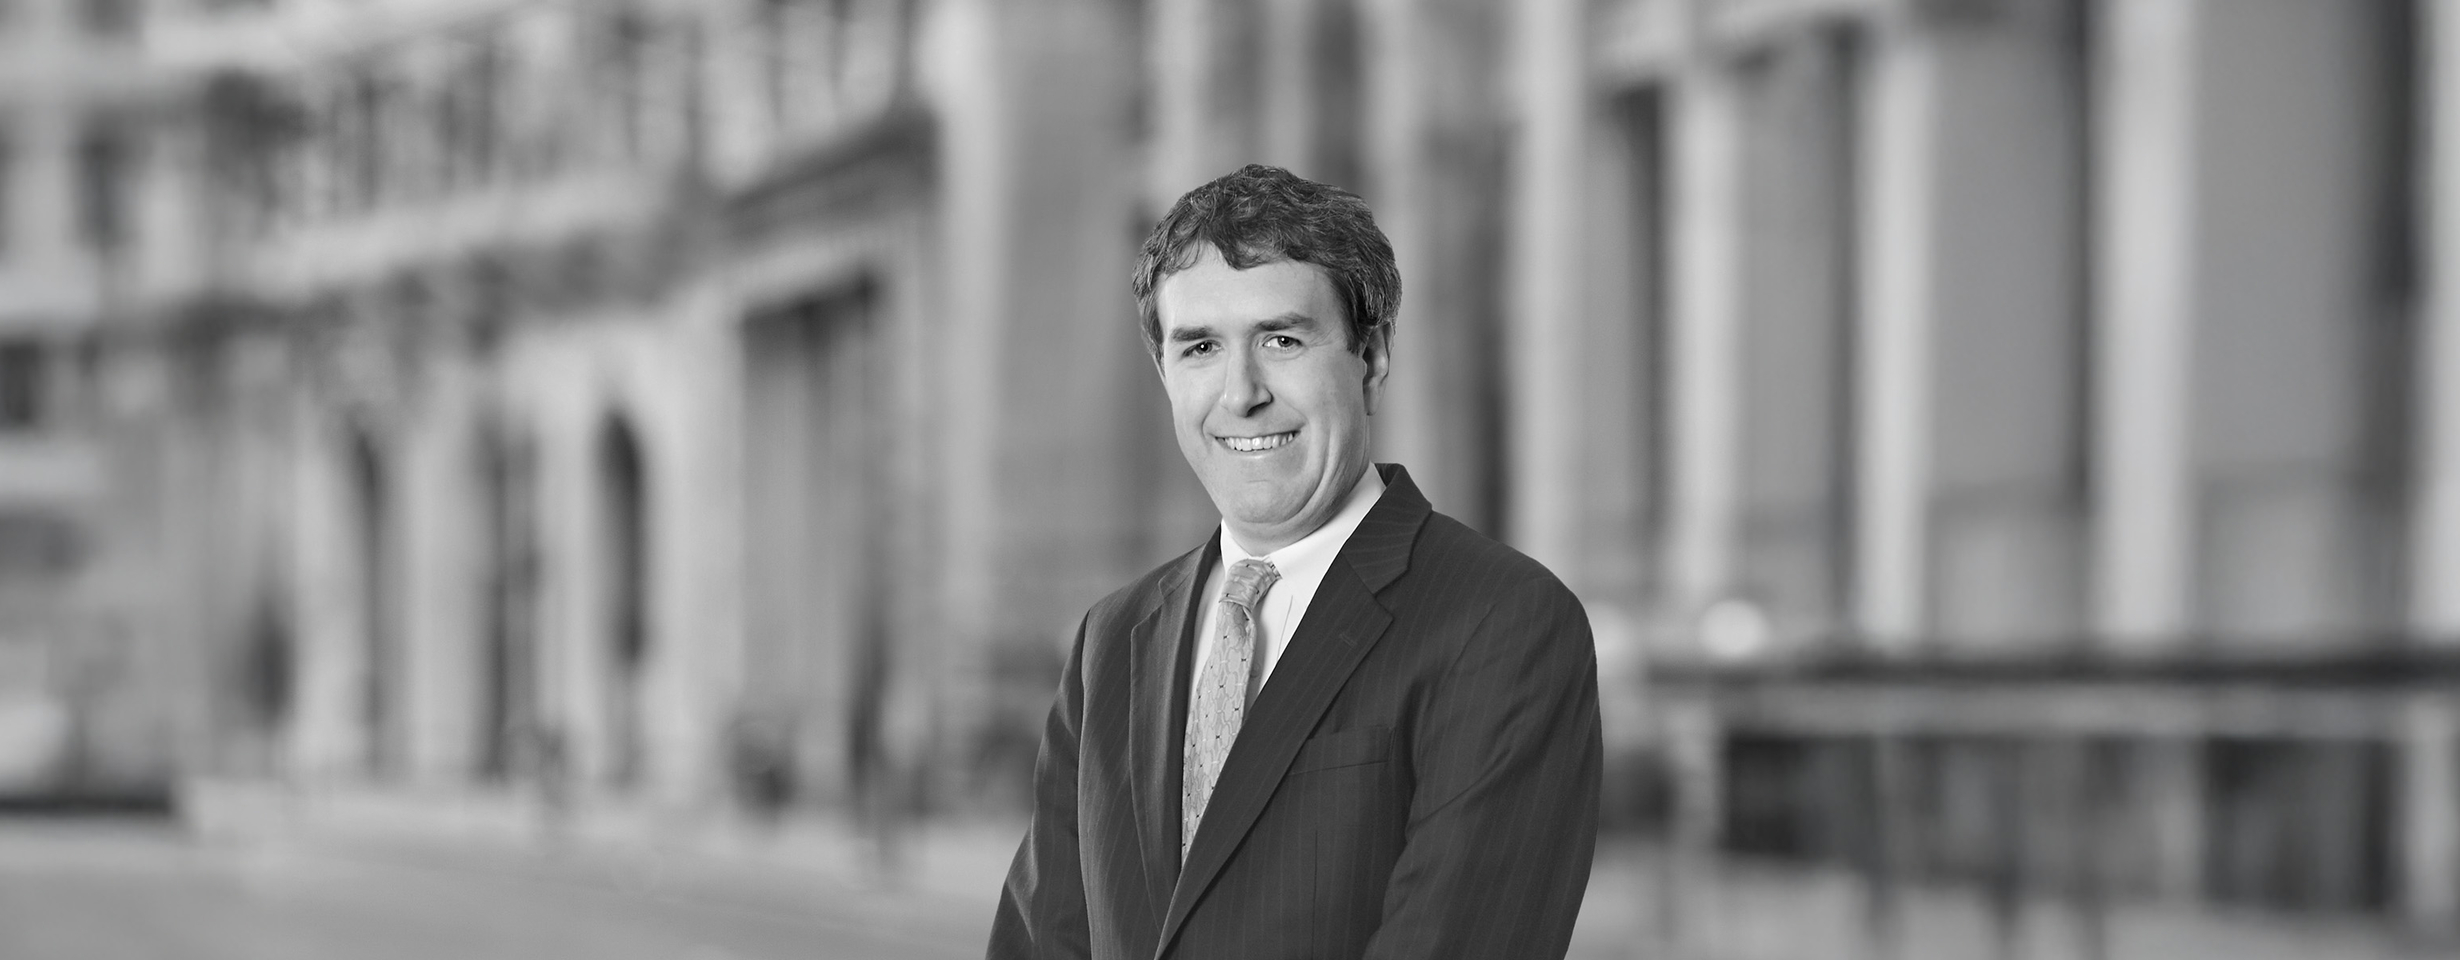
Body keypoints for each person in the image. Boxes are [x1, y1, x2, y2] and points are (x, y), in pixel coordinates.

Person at [988, 164, 1601, 960]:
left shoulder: (1502, 621)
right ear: (1165, 372)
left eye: (1281, 340)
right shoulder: (1113, 639)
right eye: (1200, 347)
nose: (1240, 393)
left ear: (1371, 357)